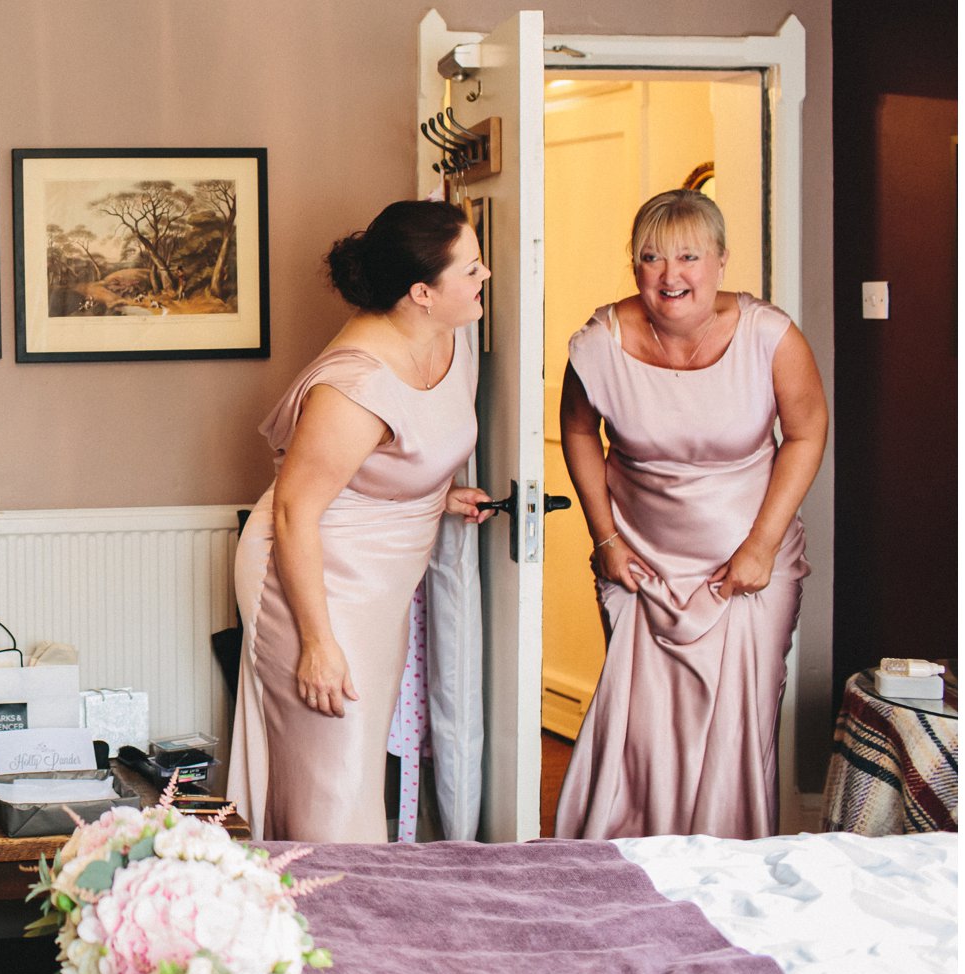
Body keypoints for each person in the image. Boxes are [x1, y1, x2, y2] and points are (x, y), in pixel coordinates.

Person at [553, 190, 826, 840]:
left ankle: (727, 876)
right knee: (643, 734)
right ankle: (631, 875)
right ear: (634, 265)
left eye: (688, 256)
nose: (670, 275)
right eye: (651, 258)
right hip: (641, 567)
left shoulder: (770, 336)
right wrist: (605, 537)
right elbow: (579, 432)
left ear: (722, 261)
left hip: (747, 570)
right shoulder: (599, 343)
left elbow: (808, 432)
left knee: (739, 728)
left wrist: (760, 546)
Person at [227, 200, 494, 843]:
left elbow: (405, 448)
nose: (485, 276)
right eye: (474, 267)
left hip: (380, 582)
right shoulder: (352, 387)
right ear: (422, 292)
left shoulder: (450, 334)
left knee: (355, 759)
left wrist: (435, 493)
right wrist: (317, 643)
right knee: (333, 774)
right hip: (313, 576)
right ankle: (320, 927)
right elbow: (295, 513)